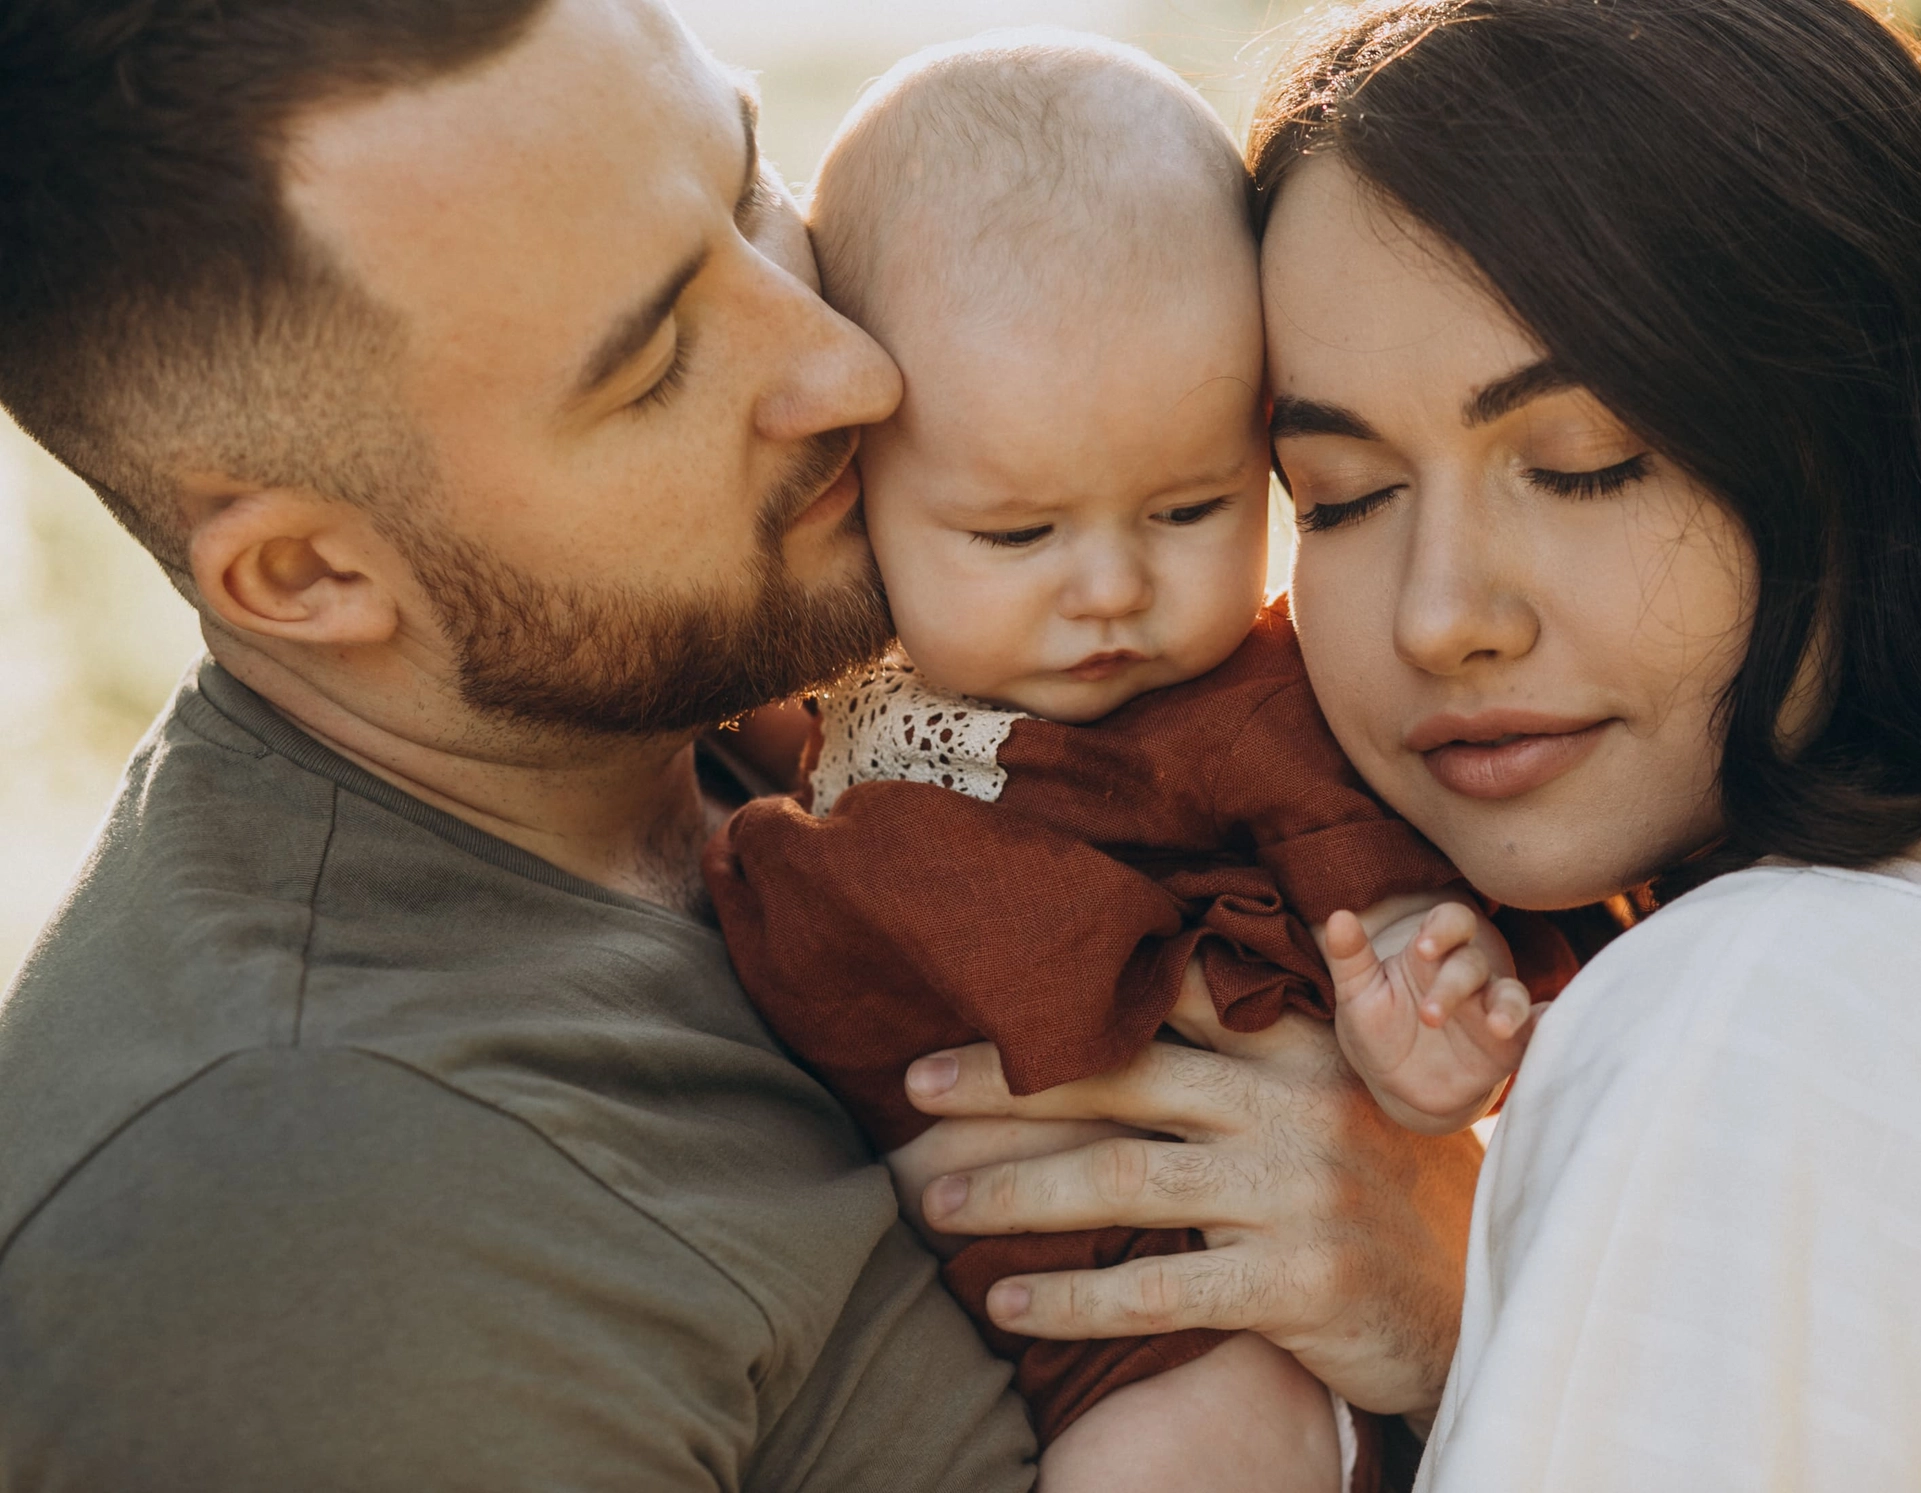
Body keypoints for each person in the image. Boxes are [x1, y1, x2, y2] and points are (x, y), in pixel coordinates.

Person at [0, 1, 1484, 1485]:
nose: (852, 369)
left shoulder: (768, 718)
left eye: (749, 186)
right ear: (312, 576)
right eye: (654, 364)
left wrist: (1442, 1291)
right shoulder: (308, 1233)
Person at [1235, 0, 1921, 1485]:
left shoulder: (1765, 1018)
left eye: (1585, 465)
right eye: (1339, 495)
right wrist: (1496, 1340)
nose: (1442, 617)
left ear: (1862, 428)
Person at [704, 36, 1562, 1491]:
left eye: (1188, 510)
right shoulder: (830, 698)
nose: (1109, 590)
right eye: (1018, 533)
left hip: (1200, 1323)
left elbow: (1373, 895)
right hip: (979, 1299)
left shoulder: (1252, 708)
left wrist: (1425, 1013)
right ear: (859, 491)